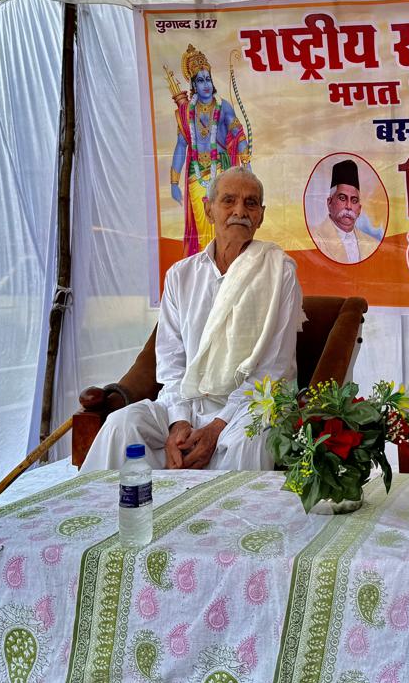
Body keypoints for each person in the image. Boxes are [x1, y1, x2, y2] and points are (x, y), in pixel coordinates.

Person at [80, 167, 302, 472]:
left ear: (261, 216)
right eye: (229, 200)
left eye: (250, 203)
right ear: (208, 210)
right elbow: (171, 365)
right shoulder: (180, 276)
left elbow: (273, 369)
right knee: (122, 425)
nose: (240, 211)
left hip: (249, 406)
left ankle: (222, 506)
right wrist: (179, 423)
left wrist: (216, 427)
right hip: (187, 403)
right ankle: (117, 503)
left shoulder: (280, 272)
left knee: (248, 441)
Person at [165, 45, 249, 256]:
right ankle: (208, 269)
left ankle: (228, 266)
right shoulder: (186, 113)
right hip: (196, 178)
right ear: (194, 84)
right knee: (203, 231)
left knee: (225, 224)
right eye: (201, 80)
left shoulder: (223, 106)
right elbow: (181, 146)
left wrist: (247, 163)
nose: (206, 84)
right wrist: (174, 182)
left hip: (220, 173)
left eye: (208, 79)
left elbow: (238, 134)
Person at [310, 158, 382, 264]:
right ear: (329, 202)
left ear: (359, 209)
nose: (348, 206)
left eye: (354, 200)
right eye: (342, 198)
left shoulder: (372, 244)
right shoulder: (313, 239)